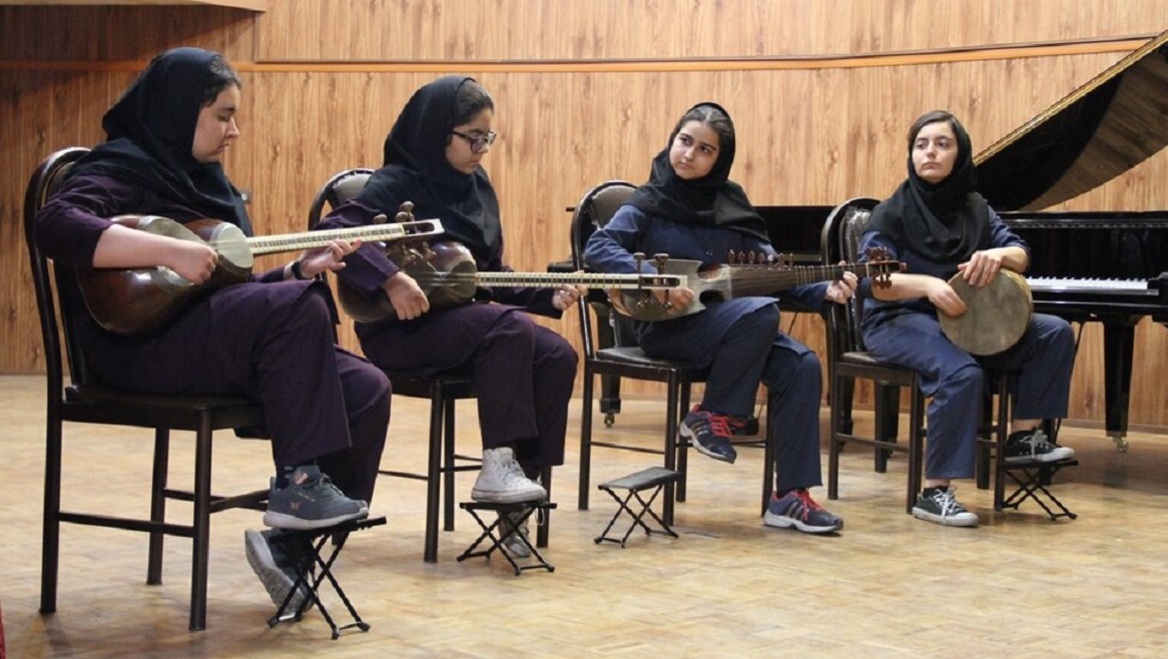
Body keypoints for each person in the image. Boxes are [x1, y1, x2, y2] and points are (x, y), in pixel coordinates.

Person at [35, 48, 392, 614]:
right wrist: (169, 249)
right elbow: (54, 225)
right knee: (295, 309)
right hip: (135, 350)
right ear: (180, 110)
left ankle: (292, 549)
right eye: (223, 116)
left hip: (206, 340)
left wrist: (298, 271)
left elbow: (233, 292)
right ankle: (298, 486)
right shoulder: (116, 169)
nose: (235, 131)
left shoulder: (209, 184)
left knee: (367, 388)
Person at [315, 75, 581, 556]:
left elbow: (487, 274)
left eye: (488, 138)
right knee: (509, 329)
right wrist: (390, 279)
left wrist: (546, 295)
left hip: (463, 327)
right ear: (440, 132)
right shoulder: (397, 180)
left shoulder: (478, 187)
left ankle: (517, 495)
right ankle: (497, 465)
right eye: (472, 137)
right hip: (398, 331)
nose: (482, 148)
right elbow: (334, 231)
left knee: (557, 355)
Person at [584, 102, 856, 534]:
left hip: (738, 330)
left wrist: (823, 290)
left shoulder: (733, 204)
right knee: (760, 312)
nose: (689, 155)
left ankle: (790, 496)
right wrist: (656, 279)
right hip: (670, 329)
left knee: (802, 365)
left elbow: (771, 273)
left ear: (720, 159)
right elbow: (598, 249)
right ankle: (712, 415)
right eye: (684, 141)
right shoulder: (649, 200)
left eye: (705, 149)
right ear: (672, 139)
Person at [858, 109, 1076, 527]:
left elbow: (1021, 253)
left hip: (963, 325)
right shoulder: (890, 212)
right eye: (921, 145)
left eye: (943, 144)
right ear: (911, 155)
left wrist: (997, 254)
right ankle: (934, 492)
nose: (931, 152)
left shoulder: (975, 208)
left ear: (960, 154)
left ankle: (1022, 439)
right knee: (962, 374)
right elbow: (876, 282)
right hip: (899, 319)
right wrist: (925, 285)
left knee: (1054, 333)